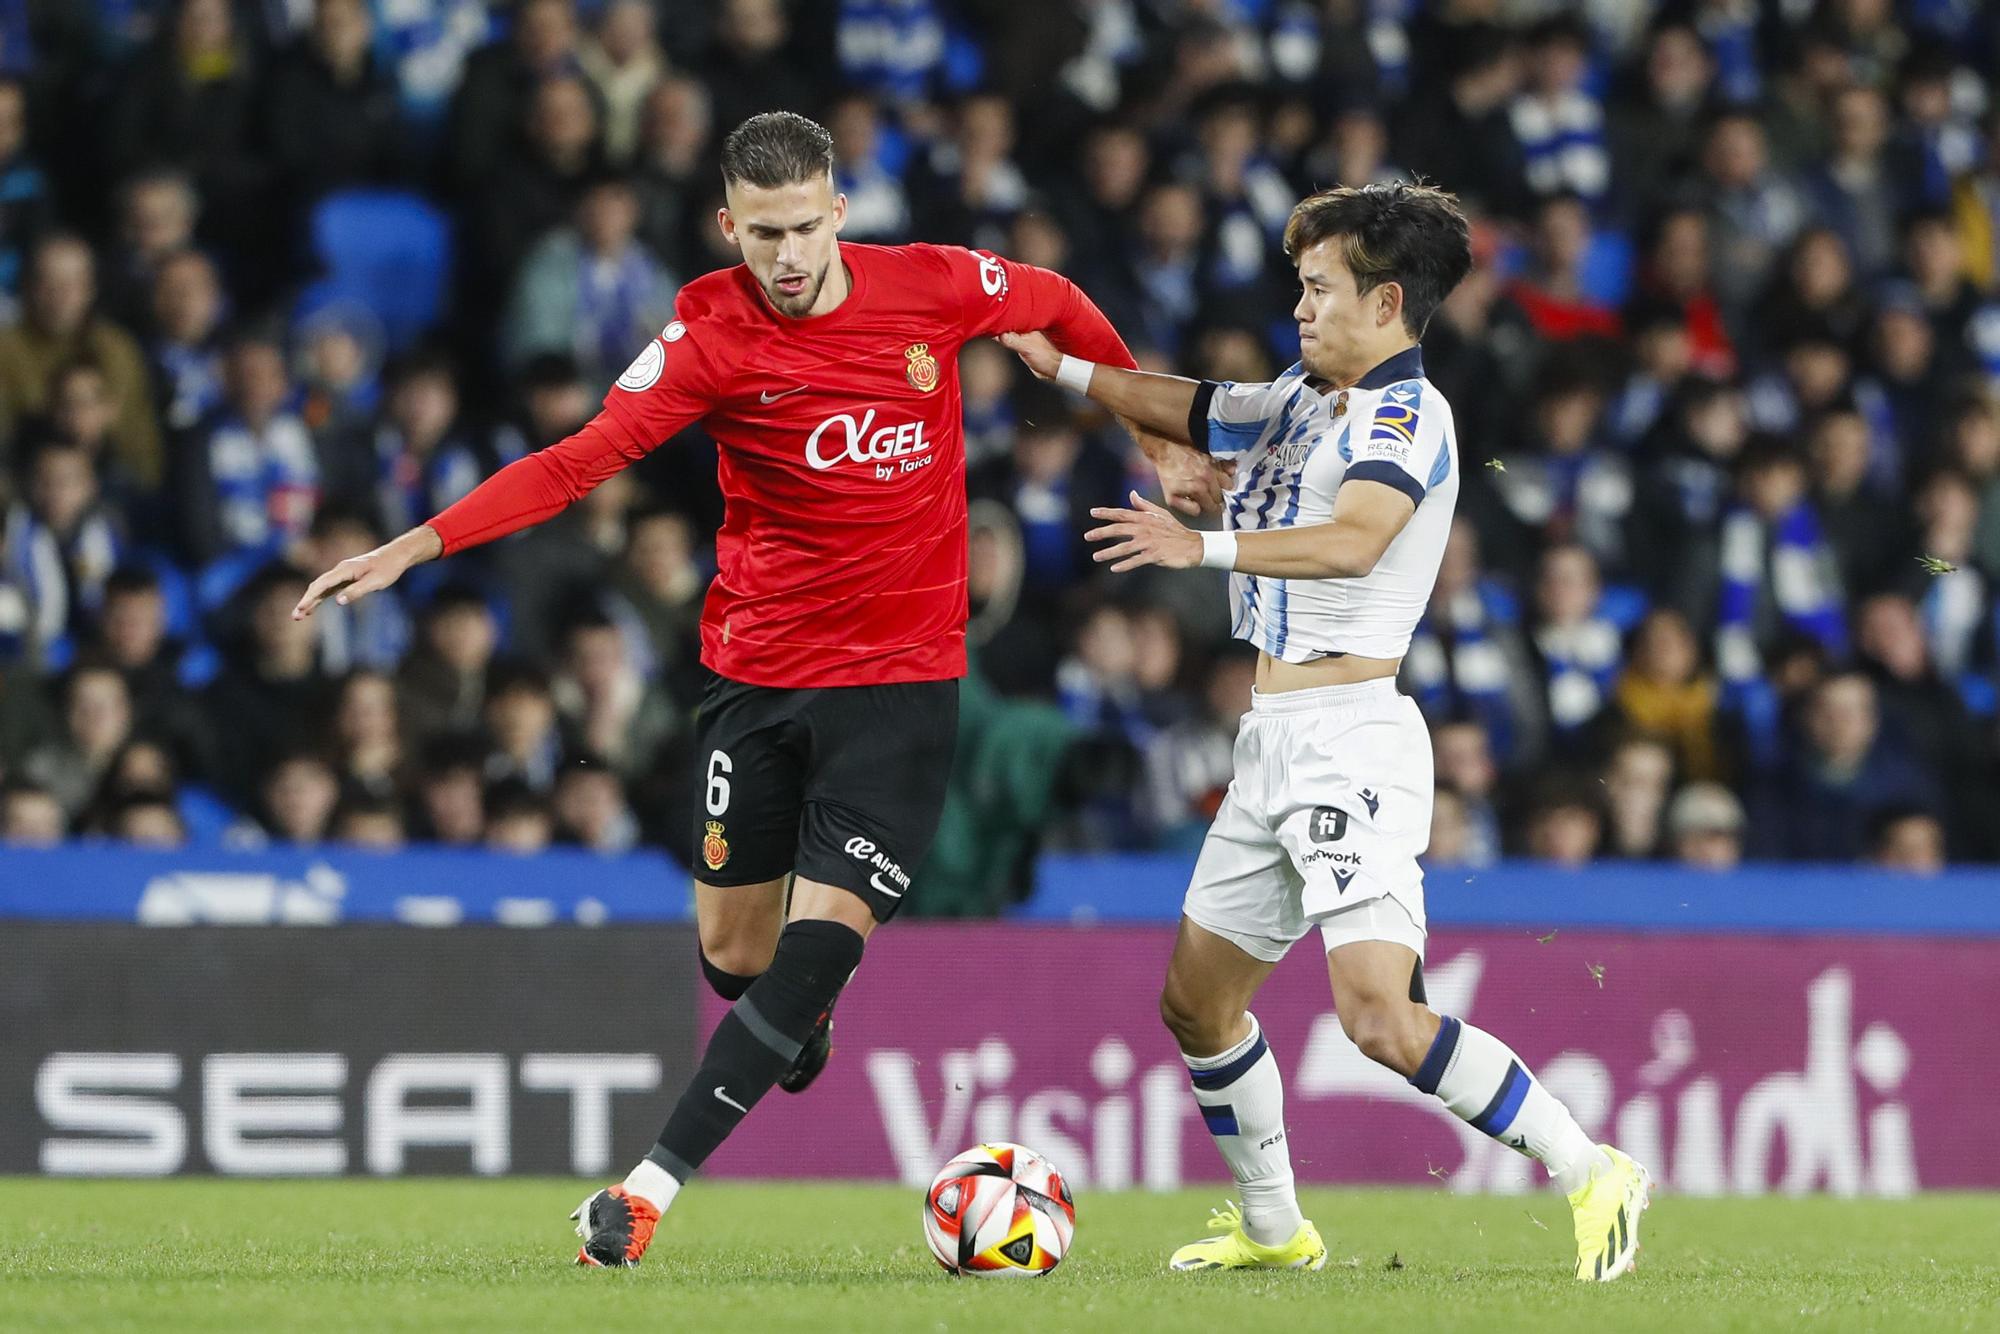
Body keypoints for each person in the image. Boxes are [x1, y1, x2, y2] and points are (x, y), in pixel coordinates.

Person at [289, 110, 1197, 1267]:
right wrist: (417, 543)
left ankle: (646, 1188)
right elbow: (577, 460)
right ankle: (783, 1022)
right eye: (762, 232)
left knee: (819, 942)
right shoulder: (707, 333)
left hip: (899, 683)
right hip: (753, 675)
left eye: (805, 227)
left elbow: (1055, 299)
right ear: (729, 226)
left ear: (838, 213)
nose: (786, 254)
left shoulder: (926, 286)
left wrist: (1148, 428)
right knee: (733, 956)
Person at [1002, 182, 1650, 1281]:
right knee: (1195, 1003)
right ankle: (1272, 1225)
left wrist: (1194, 550)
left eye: (1316, 288)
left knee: (1379, 1020)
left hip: (1349, 741)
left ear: (1385, 299)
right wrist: (1062, 366)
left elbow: (1352, 541)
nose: (1296, 307)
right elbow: (1199, 405)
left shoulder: (1408, 416)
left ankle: (1592, 1168)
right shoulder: (1307, 393)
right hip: (1273, 740)